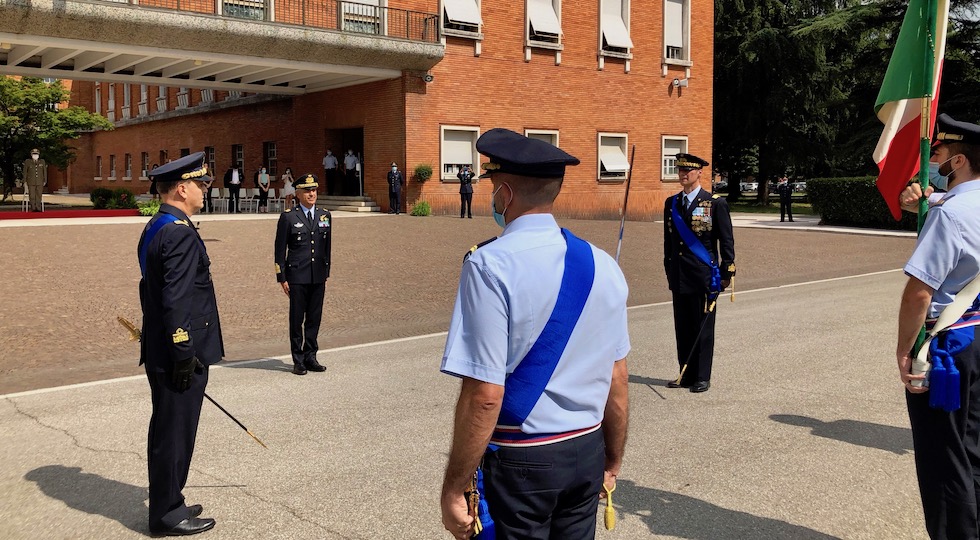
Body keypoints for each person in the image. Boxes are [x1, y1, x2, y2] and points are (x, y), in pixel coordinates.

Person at [439, 128, 630, 539]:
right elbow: (618, 377)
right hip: (586, 448)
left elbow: (485, 395)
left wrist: (454, 487)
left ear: (505, 193)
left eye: (492, 186)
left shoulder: (489, 265)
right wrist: (612, 459)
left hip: (522, 458)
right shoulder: (603, 265)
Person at [897, 114, 980, 540]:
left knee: (943, 460)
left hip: (950, 348)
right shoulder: (951, 206)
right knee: (974, 450)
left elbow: (919, 293)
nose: (932, 163)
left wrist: (904, 350)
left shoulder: (950, 214)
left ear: (958, 161)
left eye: (940, 155)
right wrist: (922, 205)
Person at [138, 151, 224, 537]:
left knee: (168, 429)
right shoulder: (179, 233)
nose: (205, 190)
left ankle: (170, 497)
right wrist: (184, 352)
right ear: (182, 189)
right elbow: (175, 300)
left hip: (162, 346)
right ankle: (168, 513)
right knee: (174, 433)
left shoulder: (158, 224)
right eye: (200, 184)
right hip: (178, 354)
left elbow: (152, 290)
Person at [663, 153, 736, 393]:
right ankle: (685, 373)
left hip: (703, 276)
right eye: (680, 170)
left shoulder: (714, 203)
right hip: (679, 275)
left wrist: (726, 272)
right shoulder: (672, 203)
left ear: (699, 173)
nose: (683, 174)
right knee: (682, 327)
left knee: (702, 328)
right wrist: (668, 268)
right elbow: (668, 242)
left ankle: (702, 376)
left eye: (688, 170)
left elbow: (726, 241)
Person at [274, 174, 332, 376]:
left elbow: (327, 247)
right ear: (298, 194)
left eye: (314, 190)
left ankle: (311, 356)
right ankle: (298, 360)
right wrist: (282, 277)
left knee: (314, 318)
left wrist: (326, 272)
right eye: (307, 191)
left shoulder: (324, 215)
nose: (311, 194)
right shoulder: (289, 217)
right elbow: (279, 250)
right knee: (297, 319)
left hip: (318, 276)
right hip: (297, 276)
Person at [22, 148, 47, 212]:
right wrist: (24, 181)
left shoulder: (42, 161)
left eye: (36, 154)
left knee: (39, 195)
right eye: (34, 154)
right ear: (31, 154)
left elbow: (44, 171)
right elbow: (25, 172)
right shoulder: (28, 162)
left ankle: (38, 208)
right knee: (32, 195)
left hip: (40, 181)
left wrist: (45, 180)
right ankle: (33, 207)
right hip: (31, 181)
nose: (35, 155)